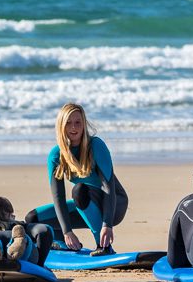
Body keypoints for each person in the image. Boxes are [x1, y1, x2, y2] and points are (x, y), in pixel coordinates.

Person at [23, 103, 128, 254]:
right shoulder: (56, 155)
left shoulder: (96, 145)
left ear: (84, 124)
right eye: (68, 123)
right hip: (84, 203)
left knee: (79, 190)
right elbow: (58, 197)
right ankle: (64, 244)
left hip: (113, 204)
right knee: (33, 218)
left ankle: (103, 245)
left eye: (78, 122)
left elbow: (108, 187)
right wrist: (67, 231)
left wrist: (107, 224)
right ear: (61, 126)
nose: (74, 127)